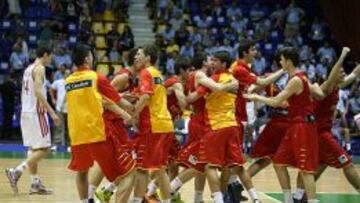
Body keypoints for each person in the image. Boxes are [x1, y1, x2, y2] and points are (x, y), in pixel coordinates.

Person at [244, 47, 324, 203]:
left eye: (281, 59)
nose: (280, 63)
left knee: (306, 170)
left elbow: (276, 101)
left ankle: (312, 200)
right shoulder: (300, 77)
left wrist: (256, 97)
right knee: (279, 162)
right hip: (294, 125)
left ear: (288, 61)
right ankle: (288, 200)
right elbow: (313, 96)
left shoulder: (295, 79)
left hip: (302, 126)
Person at [65, 44, 136, 203]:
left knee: (82, 172)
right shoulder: (96, 77)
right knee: (128, 173)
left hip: (77, 135)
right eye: (91, 55)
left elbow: (101, 99)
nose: (92, 58)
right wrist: (131, 111)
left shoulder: (68, 81)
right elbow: (115, 100)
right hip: (97, 133)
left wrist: (123, 112)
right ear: (86, 59)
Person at [294, 47, 360, 202]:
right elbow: (331, 78)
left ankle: (299, 197)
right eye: (341, 71)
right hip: (320, 134)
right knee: (348, 163)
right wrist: (342, 54)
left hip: (320, 134)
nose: (344, 73)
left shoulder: (337, 87)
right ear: (333, 73)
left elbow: (355, 74)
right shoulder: (326, 87)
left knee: (319, 166)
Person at [196, 51, 260, 203]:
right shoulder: (233, 79)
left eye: (215, 61)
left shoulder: (213, 79)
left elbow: (195, 97)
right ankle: (256, 199)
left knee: (209, 167)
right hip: (232, 125)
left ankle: (218, 200)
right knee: (236, 166)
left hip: (216, 126)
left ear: (223, 63)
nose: (212, 63)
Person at [87, 47, 141, 203]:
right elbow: (104, 96)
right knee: (118, 162)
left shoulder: (133, 77)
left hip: (117, 123)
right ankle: (94, 195)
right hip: (110, 121)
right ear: (136, 61)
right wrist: (123, 98)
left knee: (122, 162)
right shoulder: (123, 76)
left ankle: (103, 192)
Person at [5, 45, 61, 195]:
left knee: (34, 149)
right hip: (37, 113)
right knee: (45, 148)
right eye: (50, 56)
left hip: (26, 112)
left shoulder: (28, 69)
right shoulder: (40, 68)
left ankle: (35, 184)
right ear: (45, 54)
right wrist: (52, 112)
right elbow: (37, 92)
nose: (51, 59)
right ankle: (16, 171)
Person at [131, 45, 175, 203]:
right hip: (166, 125)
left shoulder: (145, 72)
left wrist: (133, 114)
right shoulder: (158, 74)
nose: (136, 57)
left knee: (142, 168)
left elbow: (146, 97)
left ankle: (137, 201)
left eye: (139, 54)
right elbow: (146, 94)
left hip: (153, 126)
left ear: (148, 58)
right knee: (161, 168)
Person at [49, 69, 71, 151]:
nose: (67, 75)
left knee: (69, 128)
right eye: (66, 74)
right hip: (59, 108)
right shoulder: (58, 82)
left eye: (69, 74)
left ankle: (69, 145)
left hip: (70, 109)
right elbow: (51, 89)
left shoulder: (73, 82)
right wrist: (53, 99)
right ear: (64, 74)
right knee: (58, 126)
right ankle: (55, 145)